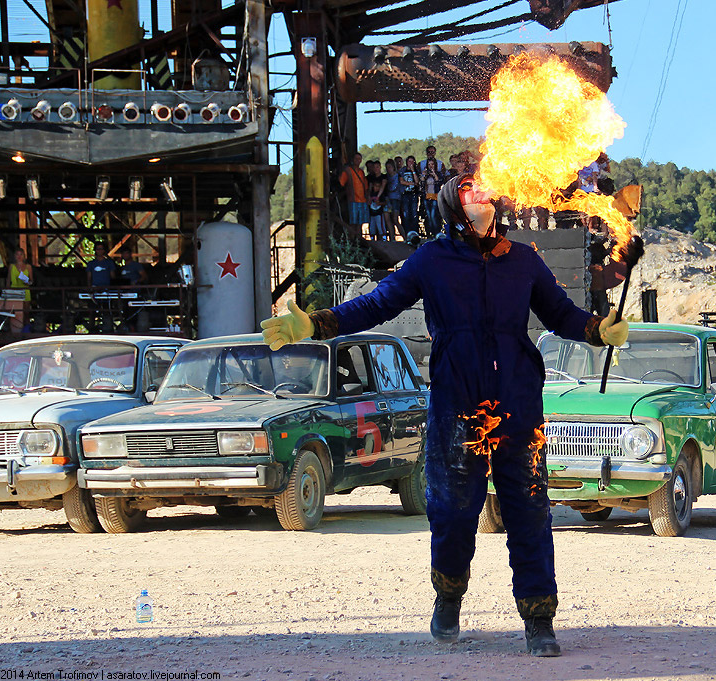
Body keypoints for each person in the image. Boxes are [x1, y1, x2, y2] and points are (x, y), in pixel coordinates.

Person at [261, 173, 638, 658]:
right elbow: (377, 304)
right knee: (454, 513)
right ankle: (449, 596)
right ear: (451, 207)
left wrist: (597, 329)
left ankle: (539, 620)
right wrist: (316, 323)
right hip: (457, 407)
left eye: (482, 186)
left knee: (528, 511)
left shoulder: (523, 260)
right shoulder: (432, 260)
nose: (479, 189)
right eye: (466, 187)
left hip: (518, 407)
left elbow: (562, 314)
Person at [338, 153, 369, 235]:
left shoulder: (362, 172)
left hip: (362, 200)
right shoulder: (348, 171)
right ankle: (353, 240)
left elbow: (365, 187)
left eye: (359, 159)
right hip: (353, 200)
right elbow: (341, 183)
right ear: (353, 160)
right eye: (356, 159)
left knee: (360, 224)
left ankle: (358, 240)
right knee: (353, 223)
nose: (358, 161)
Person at [420, 158, 442, 236]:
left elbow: (439, 182)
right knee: (428, 216)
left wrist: (434, 174)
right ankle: (430, 233)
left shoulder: (438, 173)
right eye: (429, 164)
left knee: (433, 215)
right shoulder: (426, 174)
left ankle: (436, 232)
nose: (431, 166)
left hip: (435, 197)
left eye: (432, 164)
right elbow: (421, 182)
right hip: (427, 197)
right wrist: (424, 175)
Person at [399, 155, 420, 235]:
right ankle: (407, 233)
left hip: (414, 194)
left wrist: (413, 171)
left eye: (412, 162)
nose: (410, 163)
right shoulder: (403, 170)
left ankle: (415, 232)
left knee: (414, 214)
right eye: (409, 161)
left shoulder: (416, 171)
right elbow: (401, 181)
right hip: (405, 194)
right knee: (406, 214)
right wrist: (411, 183)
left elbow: (417, 182)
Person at [367, 161, 387, 241]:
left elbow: (383, 186)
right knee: (372, 224)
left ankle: (384, 238)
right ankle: (372, 239)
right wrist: (369, 197)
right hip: (372, 205)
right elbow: (369, 188)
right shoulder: (371, 178)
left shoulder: (383, 177)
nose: (376, 169)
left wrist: (378, 197)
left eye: (377, 167)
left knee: (381, 223)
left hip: (381, 200)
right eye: (374, 167)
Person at [384, 159, 402, 241]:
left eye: (390, 167)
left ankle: (404, 237)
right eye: (387, 167)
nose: (388, 169)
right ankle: (392, 238)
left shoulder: (397, 176)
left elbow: (393, 188)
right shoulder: (386, 177)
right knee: (389, 220)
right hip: (388, 200)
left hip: (395, 199)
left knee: (395, 219)